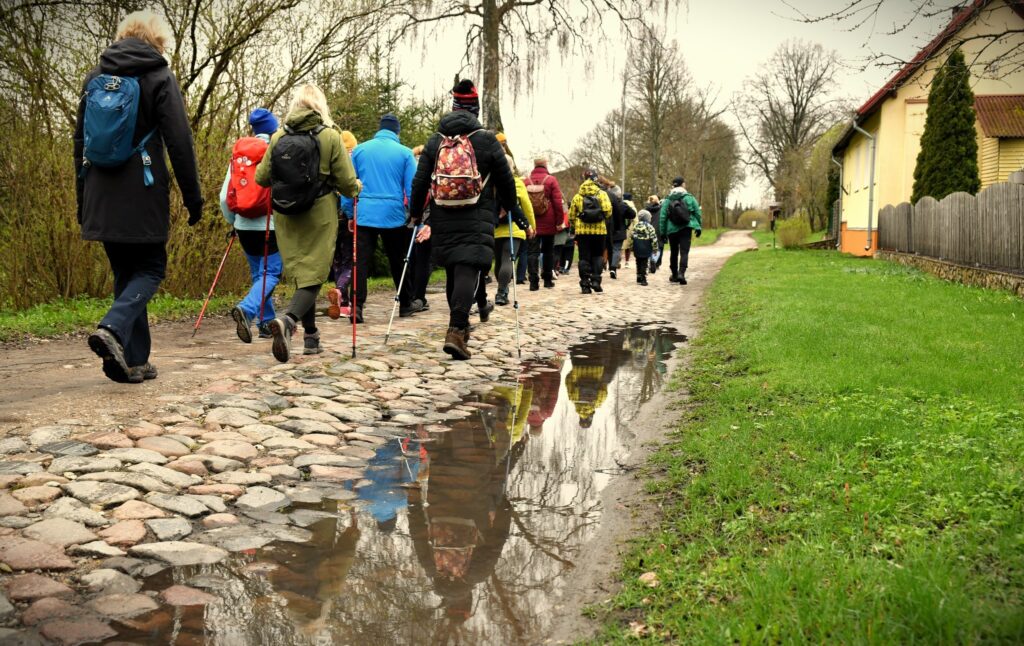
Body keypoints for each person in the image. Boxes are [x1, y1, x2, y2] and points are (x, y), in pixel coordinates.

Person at [75, 10, 203, 383]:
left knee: (125, 273)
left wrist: (82, 200)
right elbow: (180, 142)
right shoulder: (159, 76)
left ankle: (132, 360)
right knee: (150, 269)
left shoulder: (94, 77)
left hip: (99, 191)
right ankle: (113, 329)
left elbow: (79, 143)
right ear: (157, 41)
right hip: (142, 191)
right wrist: (192, 199)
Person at [409, 79, 519, 360]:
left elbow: (420, 181)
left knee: (453, 269)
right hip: (477, 214)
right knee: (468, 268)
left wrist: (415, 214)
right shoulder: (487, 140)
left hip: (443, 213)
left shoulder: (436, 140)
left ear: (454, 107)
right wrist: (511, 208)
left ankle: (461, 326)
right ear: (476, 108)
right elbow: (507, 182)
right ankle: (457, 329)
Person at [255, 84, 361, 362]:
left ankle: (311, 336)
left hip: (286, 213)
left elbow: (261, 178)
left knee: (303, 273)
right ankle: (289, 321)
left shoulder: (278, 137)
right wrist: (356, 187)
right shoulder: (331, 136)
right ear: (320, 107)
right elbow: (348, 184)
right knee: (314, 272)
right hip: (319, 213)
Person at [341, 114, 419, 323]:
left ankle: (356, 307)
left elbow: (349, 185)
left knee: (361, 262)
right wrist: (414, 213)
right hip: (393, 214)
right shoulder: (405, 153)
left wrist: (349, 212)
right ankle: (405, 303)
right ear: (397, 132)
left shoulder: (359, 151)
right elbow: (412, 188)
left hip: (365, 213)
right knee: (399, 259)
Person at [222, 108, 282, 343]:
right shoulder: (276, 151)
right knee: (272, 272)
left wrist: (233, 221)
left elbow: (224, 197)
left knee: (260, 274)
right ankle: (247, 310)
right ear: (274, 128)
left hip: (244, 225)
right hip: (271, 224)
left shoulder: (240, 156)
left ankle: (266, 324)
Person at [489, 155, 535, 307]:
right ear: (512, 167)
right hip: (514, 227)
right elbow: (527, 207)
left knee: (499, 261)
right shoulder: (517, 183)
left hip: (494, 228)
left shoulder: (491, 183)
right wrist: (531, 226)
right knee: (508, 259)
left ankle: (502, 288)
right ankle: (502, 292)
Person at [326, 130, 359, 320]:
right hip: (347, 218)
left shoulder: (331, 160)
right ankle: (342, 295)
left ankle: (343, 301)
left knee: (337, 259)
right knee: (350, 260)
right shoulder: (352, 161)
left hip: (330, 219)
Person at [567, 170, 612, 294]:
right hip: (599, 231)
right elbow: (608, 211)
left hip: (582, 232)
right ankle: (596, 280)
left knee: (584, 257)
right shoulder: (602, 194)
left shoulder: (578, 196)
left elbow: (571, 215)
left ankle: (585, 284)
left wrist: (576, 224)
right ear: (596, 180)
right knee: (598, 255)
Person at [525, 157, 566, 290]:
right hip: (548, 221)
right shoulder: (551, 180)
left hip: (532, 222)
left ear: (534, 165)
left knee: (532, 252)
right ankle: (547, 279)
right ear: (545, 165)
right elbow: (557, 203)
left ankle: (533, 282)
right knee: (548, 251)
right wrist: (559, 222)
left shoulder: (526, 181)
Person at [659, 176, 702, 285]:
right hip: (686, 228)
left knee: (674, 252)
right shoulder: (689, 198)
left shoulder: (668, 199)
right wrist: (698, 226)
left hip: (671, 229)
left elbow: (663, 217)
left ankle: (674, 275)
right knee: (684, 251)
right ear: (683, 184)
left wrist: (662, 232)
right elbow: (697, 213)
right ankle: (681, 273)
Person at [409, 144, 433, 311]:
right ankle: (419, 297)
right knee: (423, 260)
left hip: (409, 218)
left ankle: (409, 295)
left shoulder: (409, 163)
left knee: (409, 258)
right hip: (426, 219)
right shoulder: (432, 167)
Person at [605, 184, 635, 280]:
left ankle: (602, 265)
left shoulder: (605, 203)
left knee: (606, 248)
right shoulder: (622, 205)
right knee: (616, 249)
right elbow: (632, 214)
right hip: (619, 230)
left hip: (606, 229)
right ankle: (613, 268)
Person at [630, 210, 659, 286]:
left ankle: (638, 276)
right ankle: (643, 279)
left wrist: (631, 247)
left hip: (637, 246)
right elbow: (654, 238)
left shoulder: (636, 226)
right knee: (645, 263)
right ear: (647, 218)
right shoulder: (650, 227)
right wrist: (655, 248)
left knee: (638, 262)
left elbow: (632, 236)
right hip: (646, 246)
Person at [644, 194, 663, 273]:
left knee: (648, 246)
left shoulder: (646, 209)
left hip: (648, 228)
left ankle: (648, 262)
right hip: (658, 229)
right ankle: (655, 261)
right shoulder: (661, 209)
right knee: (658, 246)